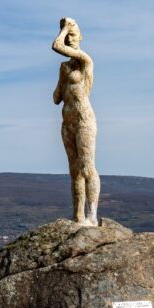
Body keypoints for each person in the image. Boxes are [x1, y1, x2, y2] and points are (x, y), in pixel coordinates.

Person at [52, 17, 100, 226]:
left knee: (87, 166)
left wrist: (64, 30)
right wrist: (63, 81)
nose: (70, 39)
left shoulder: (86, 61)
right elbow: (56, 98)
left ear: (80, 37)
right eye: (67, 35)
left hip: (83, 120)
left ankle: (92, 215)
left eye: (73, 35)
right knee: (74, 171)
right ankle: (78, 216)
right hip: (67, 121)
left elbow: (56, 46)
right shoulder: (64, 67)